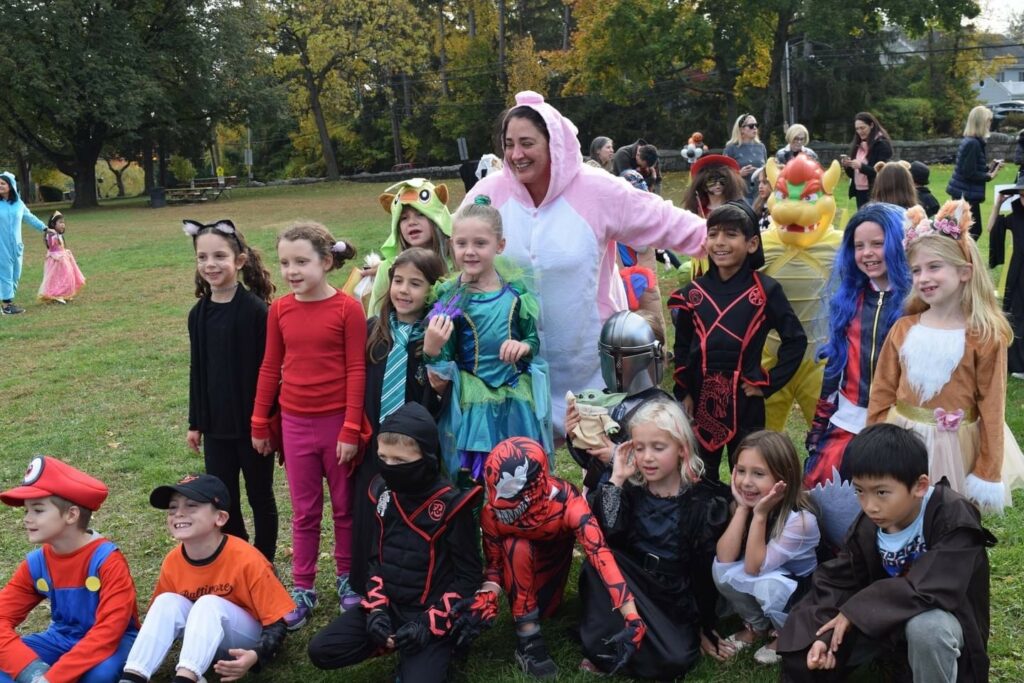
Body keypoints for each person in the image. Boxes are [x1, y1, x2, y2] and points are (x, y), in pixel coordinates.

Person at [461, 91, 707, 433]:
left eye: (527, 143)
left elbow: (661, 218)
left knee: (603, 474)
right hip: (513, 368)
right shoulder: (487, 195)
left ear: (554, 145)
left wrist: (721, 240)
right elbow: (455, 246)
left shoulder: (596, 190)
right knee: (520, 474)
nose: (516, 155)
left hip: (591, 367)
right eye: (509, 144)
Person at [778, 424, 997, 683]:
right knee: (811, 639)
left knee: (927, 628)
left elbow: (930, 589)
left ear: (919, 486)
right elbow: (838, 579)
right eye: (860, 491)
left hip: (945, 619)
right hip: (883, 616)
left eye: (882, 492)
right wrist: (823, 636)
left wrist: (855, 611)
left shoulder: (952, 516)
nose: (869, 505)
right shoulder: (870, 524)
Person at [868, 200, 1024, 514]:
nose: (924, 277)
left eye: (934, 266)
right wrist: (872, 441)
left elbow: (992, 406)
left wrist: (987, 470)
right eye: (916, 270)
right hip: (903, 438)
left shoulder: (983, 336)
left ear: (964, 271)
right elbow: (881, 392)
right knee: (902, 512)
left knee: (949, 519)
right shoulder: (903, 329)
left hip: (955, 446)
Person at [307, 403, 482, 682]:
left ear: (427, 457)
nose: (389, 467)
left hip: (428, 614)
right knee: (322, 650)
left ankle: (440, 649)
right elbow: (376, 560)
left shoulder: (452, 505)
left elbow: (468, 577)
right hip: (390, 606)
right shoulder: (382, 493)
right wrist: (377, 610)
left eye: (400, 461)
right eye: (383, 458)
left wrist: (428, 623)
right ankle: (390, 642)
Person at [250, 221, 367, 628]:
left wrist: (351, 429)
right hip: (295, 425)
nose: (291, 271)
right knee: (304, 511)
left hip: (338, 426)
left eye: (301, 261)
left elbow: (356, 370)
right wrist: (260, 421)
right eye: (285, 263)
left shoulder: (348, 308)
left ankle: (349, 579)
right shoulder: (279, 309)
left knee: (345, 508)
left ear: (327, 261)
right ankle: (303, 586)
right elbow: (269, 367)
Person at [453, 437, 645, 679]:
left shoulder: (568, 506)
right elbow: (494, 567)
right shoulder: (492, 513)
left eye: (509, 493)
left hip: (552, 567)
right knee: (516, 544)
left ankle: (533, 617)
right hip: (518, 566)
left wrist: (631, 616)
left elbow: (599, 553)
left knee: (544, 606)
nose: (500, 504)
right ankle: (528, 639)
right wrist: (487, 596)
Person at [578, 400, 732, 678]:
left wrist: (704, 624)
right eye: (639, 448)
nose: (647, 457)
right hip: (633, 584)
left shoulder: (701, 503)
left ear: (682, 449)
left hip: (672, 594)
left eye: (658, 448)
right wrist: (616, 479)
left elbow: (703, 571)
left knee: (676, 659)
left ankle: (648, 643)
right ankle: (607, 645)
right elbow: (607, 532)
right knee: (598, 565)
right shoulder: (632, 493)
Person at [669, 202, 807, 481]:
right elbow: (682, 346)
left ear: (752, 243)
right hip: (700, 399)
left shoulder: (765, 291)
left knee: (748, 474)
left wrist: (767, 383)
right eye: (713, 234)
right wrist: (683, 392)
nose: (720, 242)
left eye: (731, 234)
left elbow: (795, 340)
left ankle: (747, 521)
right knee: (699, 477)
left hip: (746, 402)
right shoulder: (691, 294)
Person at [424, 200, 552, 486]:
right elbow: (442, 360)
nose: (469, 251)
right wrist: (432, 349)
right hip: (472, 403)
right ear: (451, 245)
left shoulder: (516, 292)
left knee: (520, 472)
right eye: (461, 243)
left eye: (480, 243)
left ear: (500, 245)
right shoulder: (451, 297)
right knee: (476, 479)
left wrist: (524, 348)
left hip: (515, 398)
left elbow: (531, 340)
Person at [119, 475, 293, 683]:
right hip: (203, 640)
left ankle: (187, 678)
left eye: (191, 505)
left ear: (219, 518)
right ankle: (132, 676)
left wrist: (256, 656)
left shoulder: (247, 558)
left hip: (245, 642)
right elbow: (165, 618)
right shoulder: (173, 561)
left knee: (208, 603)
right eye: (173, 508)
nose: (178, 513)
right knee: (166, 601)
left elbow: (278, 624)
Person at [351, 247, 448, 592]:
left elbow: (436, 401)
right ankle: (364, 582)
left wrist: (435, 356)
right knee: (367, 508)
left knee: (406, 511)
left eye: (416, 284)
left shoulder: (434, 338)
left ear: (433, 290)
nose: (404, 290)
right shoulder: (372, 332)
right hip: (371, 441)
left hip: (412, 451)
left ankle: (408, 582)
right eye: (398, 280)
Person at [183, 219, 278, 563]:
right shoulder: (199, 315)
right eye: (202, 257)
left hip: (253, 428)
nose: (210, 264)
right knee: (224, 499)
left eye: (219, 256)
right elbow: (198, 370)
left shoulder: (256, 311)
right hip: (216, 428)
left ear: (239, 260)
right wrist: (196, 422)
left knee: (259, 496)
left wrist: (265, 422)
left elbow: (270, 372)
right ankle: (240, 560)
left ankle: (264, 560)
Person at [0, 456, 139, 683]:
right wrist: (30, 671)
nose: (27, 519)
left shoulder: (107, 561)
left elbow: (109, 632)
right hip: (60, 639)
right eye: (25, 511)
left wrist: (52, 678)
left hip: (115, 641)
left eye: (38, 510)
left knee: (99, 676)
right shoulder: (36, 563)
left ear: (71, 515)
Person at [804, 203, 911, 489]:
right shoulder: (849, 299)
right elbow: (835, 367)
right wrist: (818, 427)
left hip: (900, 422)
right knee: (826, 493)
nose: (867, 253)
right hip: (849, 417)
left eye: (878, 244)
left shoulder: (917, 304)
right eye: (858, 245)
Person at [714, 431, 820, 665]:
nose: (746, 482)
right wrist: (741, 509)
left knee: (767, 585)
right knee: (720, 568)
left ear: (784, 478)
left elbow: (753, 568)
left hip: (801, 594)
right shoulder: (745, 504)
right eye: (741, 471)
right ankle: (758, 626)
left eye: (758, 474)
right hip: (768, 576)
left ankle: (788, 633)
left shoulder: (800, 521)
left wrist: (760, 515)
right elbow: (724, 558)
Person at [564, 310, 672, 493]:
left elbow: (669, 472)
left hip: (643, 509)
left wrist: (616, 457)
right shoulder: (604, 402)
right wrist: (576, 435)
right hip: (605, 501)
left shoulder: (664, 412)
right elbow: (589, 461)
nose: (618, 366)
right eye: (612, 357)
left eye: (625, 357)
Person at [364, 178, 452, 316]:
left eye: (421, 214)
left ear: (436, 218)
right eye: (404, 218)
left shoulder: (455, 263)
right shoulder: (387, 268)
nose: (411, 222)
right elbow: (375, 318)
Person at [947, 105, 1004, 241]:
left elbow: (970, 166)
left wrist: (989, 167)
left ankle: (963, 257)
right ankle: (962, 258)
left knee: (965, 230)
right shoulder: (973, 143)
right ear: (981, 123)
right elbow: (968, 173)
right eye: (988, 121)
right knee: (971, 231)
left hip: (965, 193)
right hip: (965, 195)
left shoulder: (972, 141)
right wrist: (989, 176)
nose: (990, 124)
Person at [988, 189, 1024, 378]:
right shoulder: (1015, 217)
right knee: (1017, 314)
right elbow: (992, 229)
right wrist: (998, 205)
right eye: (1023, 196)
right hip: (1019, 272)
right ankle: (1018, 365)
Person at [0, 171, 45, 315]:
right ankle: (7, 305)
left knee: (16, 273)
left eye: (2, 183)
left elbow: (30, 218)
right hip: (1, 245)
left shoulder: (19, 204)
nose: (0, 186)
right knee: (5, 272)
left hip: (17, 246)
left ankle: (8, 299)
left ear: (11, 186)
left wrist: (44, 228)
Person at [841, 112, 893, 208]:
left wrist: (861, 166)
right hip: (859, 191)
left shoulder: (882, 144)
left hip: (876, 192)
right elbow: (853, 175)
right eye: (857, 129)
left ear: (871, 125)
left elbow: (881, 172)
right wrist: (848, 166)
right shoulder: (858, 144)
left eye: (862, 128)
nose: (860, 131)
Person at [36, 211, 85, 304]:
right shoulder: (51, 234)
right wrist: (51, 234)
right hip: (56, 260)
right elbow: (51, 244)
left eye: (63, 223)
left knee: (67, 276)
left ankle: (64, 293)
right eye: (60, 222)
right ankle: (56, 294)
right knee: (56, 277)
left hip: (63, 258)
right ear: (53, 224)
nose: (63, 225)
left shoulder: (59, 235)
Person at [681, 154, 746, 219]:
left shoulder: (738, 208)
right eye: (711, 181)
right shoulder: (695, 209)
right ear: (702, 184)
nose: (718, 185)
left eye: (722, 180)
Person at [723, 113, 768, 204]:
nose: (755, 128)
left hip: (760, 195)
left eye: (756, 125)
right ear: (741, 129)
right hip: (740, 195)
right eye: (751, 126)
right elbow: (723, 174)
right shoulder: (731, 148)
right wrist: (738, 174)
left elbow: (766, 171)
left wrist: (760, 172)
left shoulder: (761, 147)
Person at [752, 167, 772, 231]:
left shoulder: (779, 207)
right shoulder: (758, 205)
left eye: (765, 182)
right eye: (759, 182)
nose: (760, 186)